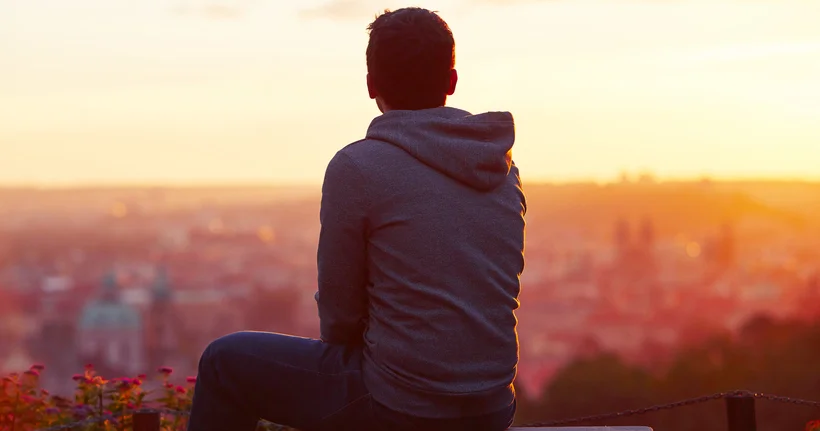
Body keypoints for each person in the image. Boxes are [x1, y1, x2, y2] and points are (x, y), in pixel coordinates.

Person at [187, 7, 526, 431]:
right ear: (452, 82)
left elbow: (340, 313)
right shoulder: (500, 166)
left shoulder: (358, 167)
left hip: (401, 406)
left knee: (224, 361)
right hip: (492, 408)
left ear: (370, 85)